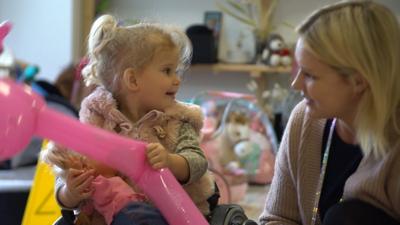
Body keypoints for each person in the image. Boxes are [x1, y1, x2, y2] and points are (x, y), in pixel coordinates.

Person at [41, 14, 215, 225]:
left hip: (171, 214)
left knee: (136, 217)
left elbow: (198, 162)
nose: (177, 80)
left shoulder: (177, 119)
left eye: (176, 71)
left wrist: (171, 161)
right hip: (104, 216)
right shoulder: (96, 121)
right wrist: (69, 192)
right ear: (132, 79)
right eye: (167, 71)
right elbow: (65, 172)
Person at [259, 1, 400, 225]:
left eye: (310, 75)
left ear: (358, 81)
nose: (296, 85)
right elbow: (278, 217)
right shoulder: (304, 118)